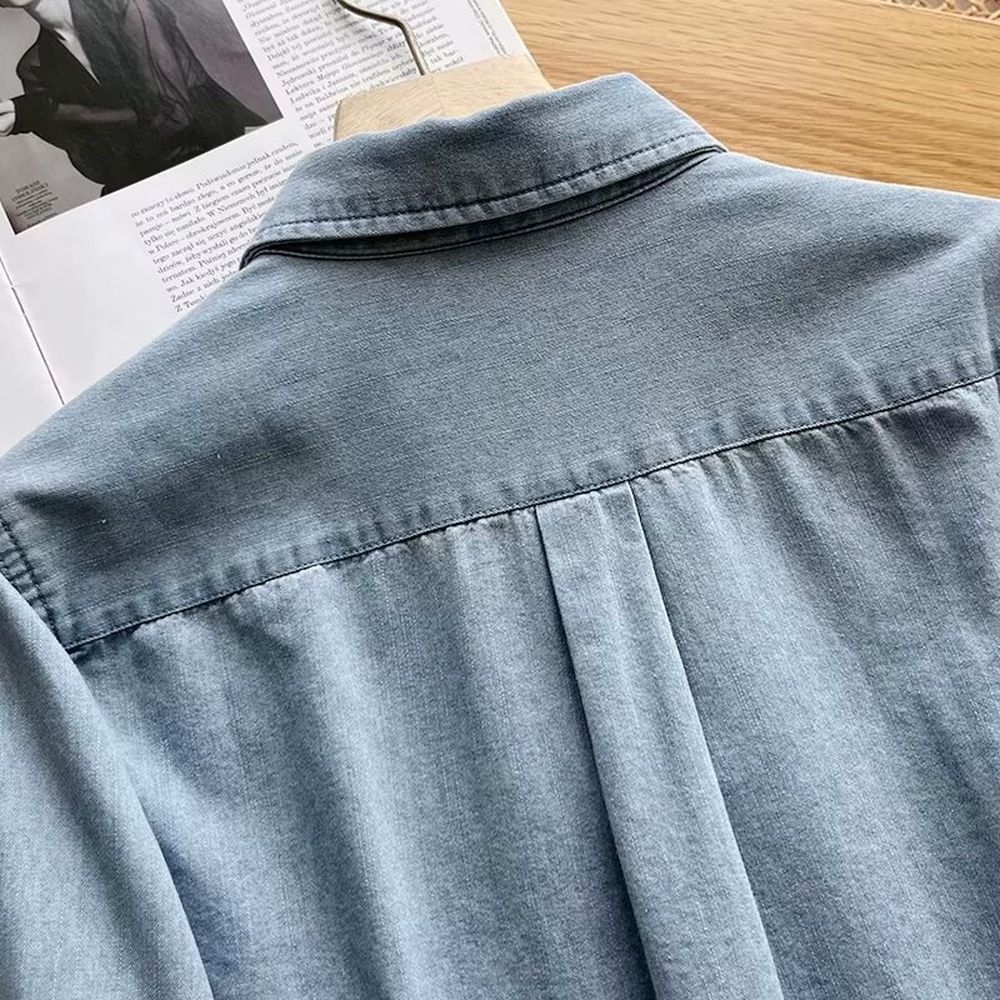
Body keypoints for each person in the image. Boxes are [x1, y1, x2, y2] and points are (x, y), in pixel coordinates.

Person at [0, 0, 266, 193]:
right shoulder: (35, 68)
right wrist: (42, 113)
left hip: (223, 153)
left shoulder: (127, 6)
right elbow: (99, 167)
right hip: (147, 187)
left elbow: (175, 117)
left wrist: (45, 112)